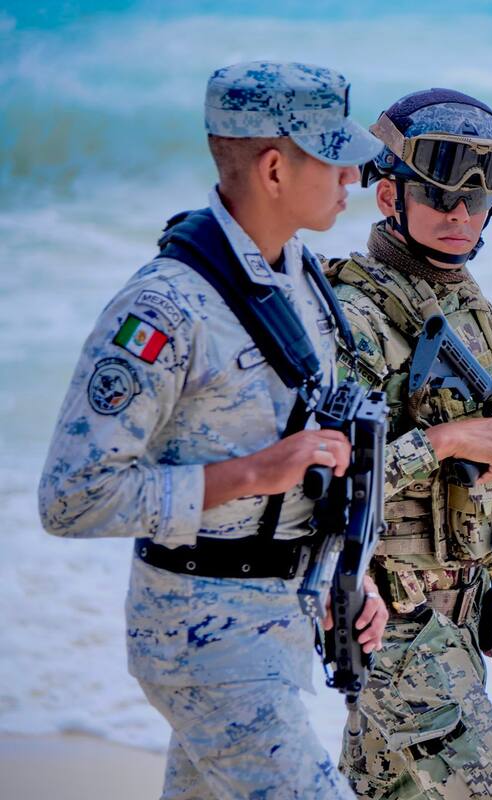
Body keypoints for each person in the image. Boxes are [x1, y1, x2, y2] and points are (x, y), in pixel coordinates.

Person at [38, 61, 390, 799]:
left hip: (275, 625)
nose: (352, 177)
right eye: (333, 157)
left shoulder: (299, 276)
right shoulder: (164, 311)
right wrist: (255, 474)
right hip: (206, 640)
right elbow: (71, 497)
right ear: (273, 168)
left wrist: (343, 575)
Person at [323, 88, 492, 800]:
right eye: (439, 197)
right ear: (389, 197)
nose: (460, 215)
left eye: (475, 200)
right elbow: (323, 480)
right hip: (391, 624)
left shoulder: (476, 313)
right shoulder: (352, 317)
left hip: (455, 625)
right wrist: (438, 441)